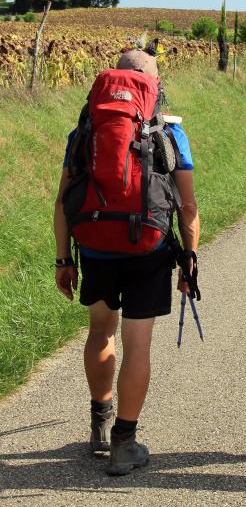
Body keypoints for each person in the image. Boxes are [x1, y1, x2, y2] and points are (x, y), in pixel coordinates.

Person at [53, 49, 200, 475]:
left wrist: (64, 258)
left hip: (96, 248)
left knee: (101, 331)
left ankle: (99, 423)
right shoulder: (170, 134)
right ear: (154, 86)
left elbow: (63, 203)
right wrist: (190, 258)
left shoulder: (84, 132)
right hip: (149, 250)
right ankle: (124, 442)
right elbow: (188, 207)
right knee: (138, 345)